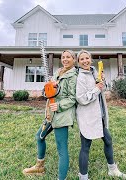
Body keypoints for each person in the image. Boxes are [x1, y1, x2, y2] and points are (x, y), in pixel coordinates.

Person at [22, 50, 78, 180]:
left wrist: (59, 105)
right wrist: (47, 90)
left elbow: (72, 98)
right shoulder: (58, 72)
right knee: (39, 137)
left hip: (62, 115)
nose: (65, 59)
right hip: (50, 114)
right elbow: (50, 91)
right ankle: (39, 166)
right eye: (63, 57)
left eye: (68, 57)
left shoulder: (73, 76)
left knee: (61, 149)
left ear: (73, 59)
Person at [76, 50, 126, 180]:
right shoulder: (80, 77)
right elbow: (81, 99)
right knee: (85, 146)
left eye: (87, 58)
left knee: (108, 140)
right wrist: (96, 88)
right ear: (78, 62)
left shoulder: (95, 72)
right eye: (82, 59)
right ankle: (83, 177)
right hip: (87, 115)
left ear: (91, 59)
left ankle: (112, 169)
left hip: (99, 114)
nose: (85, 61)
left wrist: (102, 83)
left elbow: (102, 89)